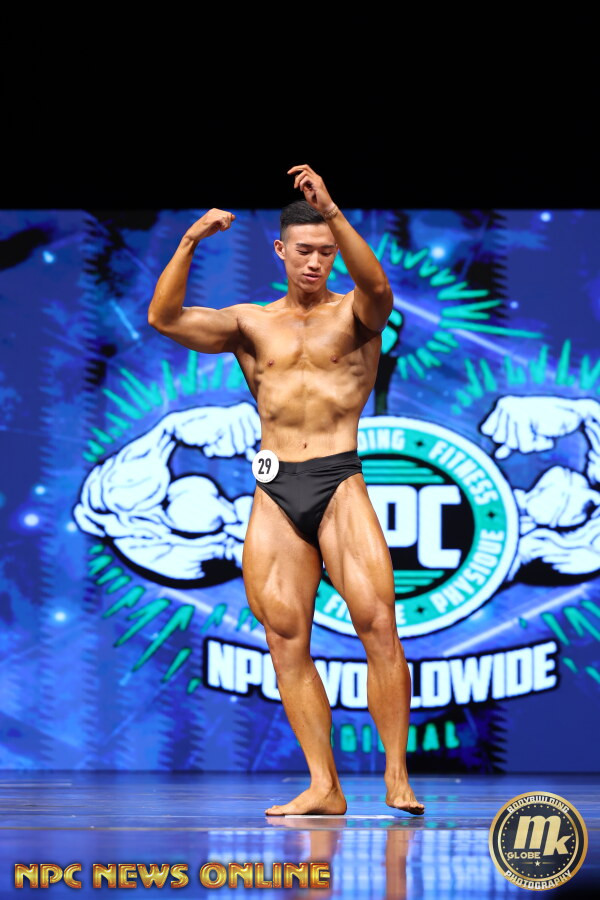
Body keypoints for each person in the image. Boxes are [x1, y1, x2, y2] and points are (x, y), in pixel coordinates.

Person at [148, 163, 425, 816]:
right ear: (280, 250)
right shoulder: (249, 323)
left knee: (378, 625)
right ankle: (324, 785)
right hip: (275, 491)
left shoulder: (357, 314)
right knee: (285, 637)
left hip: (338, 481)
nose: (315, 262)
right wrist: (190, 241)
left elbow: (378, 285)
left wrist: (332, 212)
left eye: (325, 252)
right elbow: (164, 318)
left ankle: (396, 775)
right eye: (304, 251)